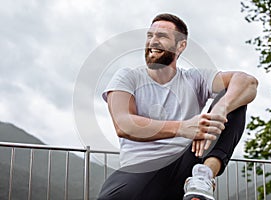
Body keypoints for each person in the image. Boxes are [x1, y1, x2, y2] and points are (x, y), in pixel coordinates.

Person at [98, 13, 258, 200]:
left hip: (188, 165)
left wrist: (218, 111)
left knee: (235, 99)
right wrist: (183, 128)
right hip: (142, 168)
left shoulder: (194, 78)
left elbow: (248, 82)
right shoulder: (127, 76)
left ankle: (203, 177)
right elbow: (123, 124)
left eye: (162, 36)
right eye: (150, 36)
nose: (153, 41)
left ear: (181, 46)